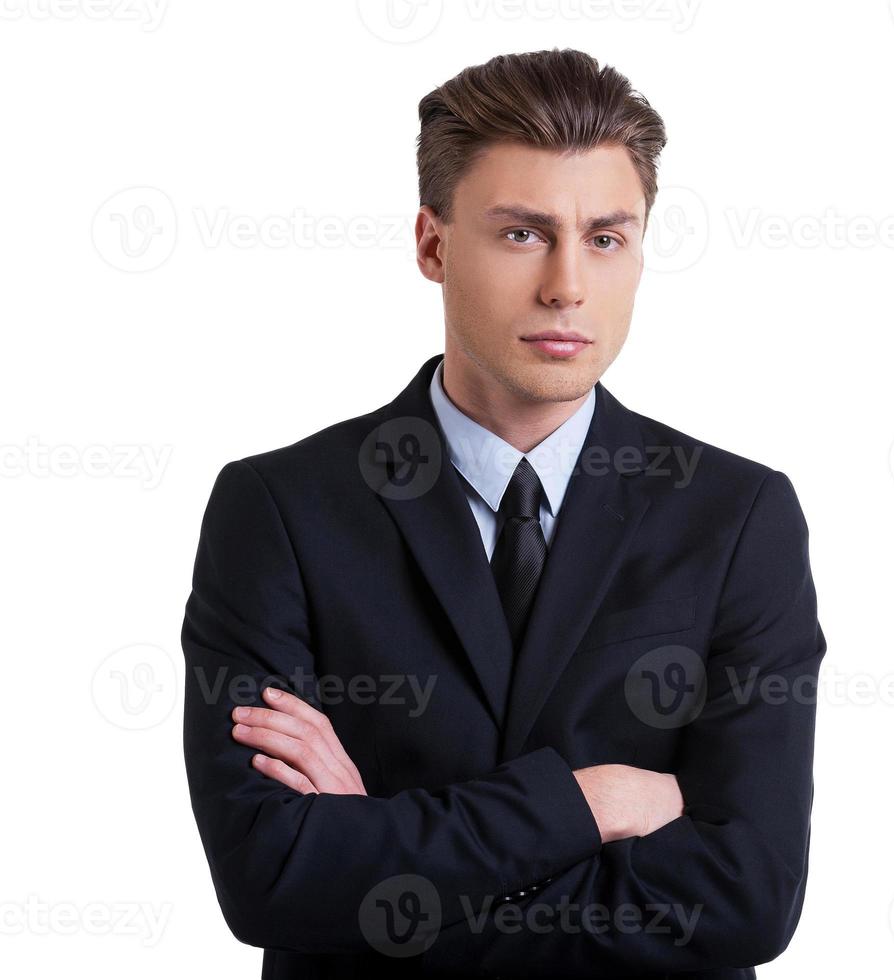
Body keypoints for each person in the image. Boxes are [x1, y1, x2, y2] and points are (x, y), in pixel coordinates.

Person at [181, 47, 825, 979]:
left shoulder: (737, 516)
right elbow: (273, 878)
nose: (567, 285)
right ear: (433, 244)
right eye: (522, 234)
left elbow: (749, 897)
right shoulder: (280, 509)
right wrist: (589, 803)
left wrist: (381, 851)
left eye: (605, 237)